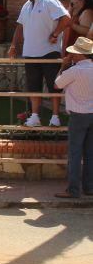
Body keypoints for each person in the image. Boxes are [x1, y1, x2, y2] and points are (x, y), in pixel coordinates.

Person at [8, 0, 71, 127]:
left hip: (49, 52)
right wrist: (13, 45)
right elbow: (20, 26)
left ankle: (55, 117)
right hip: (30, 53)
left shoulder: (50, 1)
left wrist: (55, 34)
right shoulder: (26, 5)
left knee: (53, 86)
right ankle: (35, 116)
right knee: (33, 86)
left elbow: (66, 19)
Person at [54, 37, 93, 198]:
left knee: (75, 153)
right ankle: (89, 187)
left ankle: (73, 189)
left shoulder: (74, 71)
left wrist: (63, 66)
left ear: (79, 55)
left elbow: (57, 84)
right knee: (90, 152)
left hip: (78, 114)